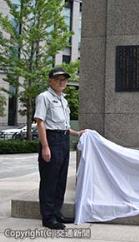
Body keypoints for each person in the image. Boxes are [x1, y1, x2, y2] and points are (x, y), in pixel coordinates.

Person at [34, 67, 85, 230]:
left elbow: (63, 125)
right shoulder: (44, 97)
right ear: (51, 81)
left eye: (64, 79)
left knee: (60, 180)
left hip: (63, 140)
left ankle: (57, 213)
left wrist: (76, 133)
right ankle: (48, 217)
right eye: (58, 79)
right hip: (52, 140)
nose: (62, 81)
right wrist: (45, 147)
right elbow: (40, 122)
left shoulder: (64, 99)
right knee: (50, 180)